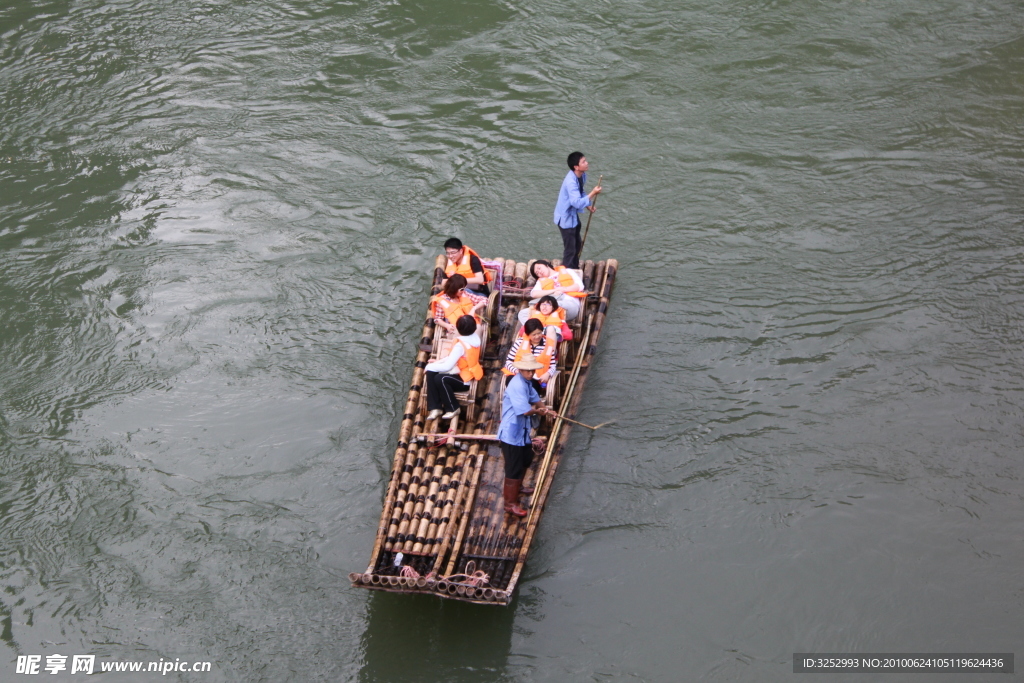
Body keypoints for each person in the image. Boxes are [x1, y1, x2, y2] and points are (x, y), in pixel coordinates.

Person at [497, 354, 557, 517]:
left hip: (522, 431)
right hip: (511, 433)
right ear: (520, 370)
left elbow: (535, 399)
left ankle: (520, 486)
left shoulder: (527, 382)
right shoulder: (517, 385)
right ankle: (510, 504)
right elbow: (525, 410)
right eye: (527, 371)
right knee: (513, 468)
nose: (530, 373)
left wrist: (545, 409)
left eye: (532, 371)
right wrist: (539, 412)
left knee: (525, 459)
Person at [424, 315, 483, 422]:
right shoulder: (474, 338)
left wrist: (429, 366)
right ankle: (435, 407)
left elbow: (447, 366)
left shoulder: (460, 345)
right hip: (461, 372)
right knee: (432, 373)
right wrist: (437, 362)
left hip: (464, 379)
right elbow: (451, 358)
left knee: (439, 378)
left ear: (458, 329)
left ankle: (453, 407)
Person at [553, 152, 601, 269]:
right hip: (566, 218)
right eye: (583, 162)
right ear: (576, 167)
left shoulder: (582, 175)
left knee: (577, 245)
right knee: (570, 249)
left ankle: (573, 267)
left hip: (573, 216)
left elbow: (580, 192)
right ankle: (566, 273)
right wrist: (593, 193)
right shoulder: (570, 182)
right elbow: (576, 202)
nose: (587, 163)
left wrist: (588, 205)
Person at [502, 318, 557, 391]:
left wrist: (548, 374)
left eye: (539, 333)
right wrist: (517, 371)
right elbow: (509, 362)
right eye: (534, 334)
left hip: (536, 379)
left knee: (530, 385)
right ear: (528, 334)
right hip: (517, 375)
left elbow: (553, 365)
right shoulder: (519, 342)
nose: (537, 336)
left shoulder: (548, 345)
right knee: (512, 381)